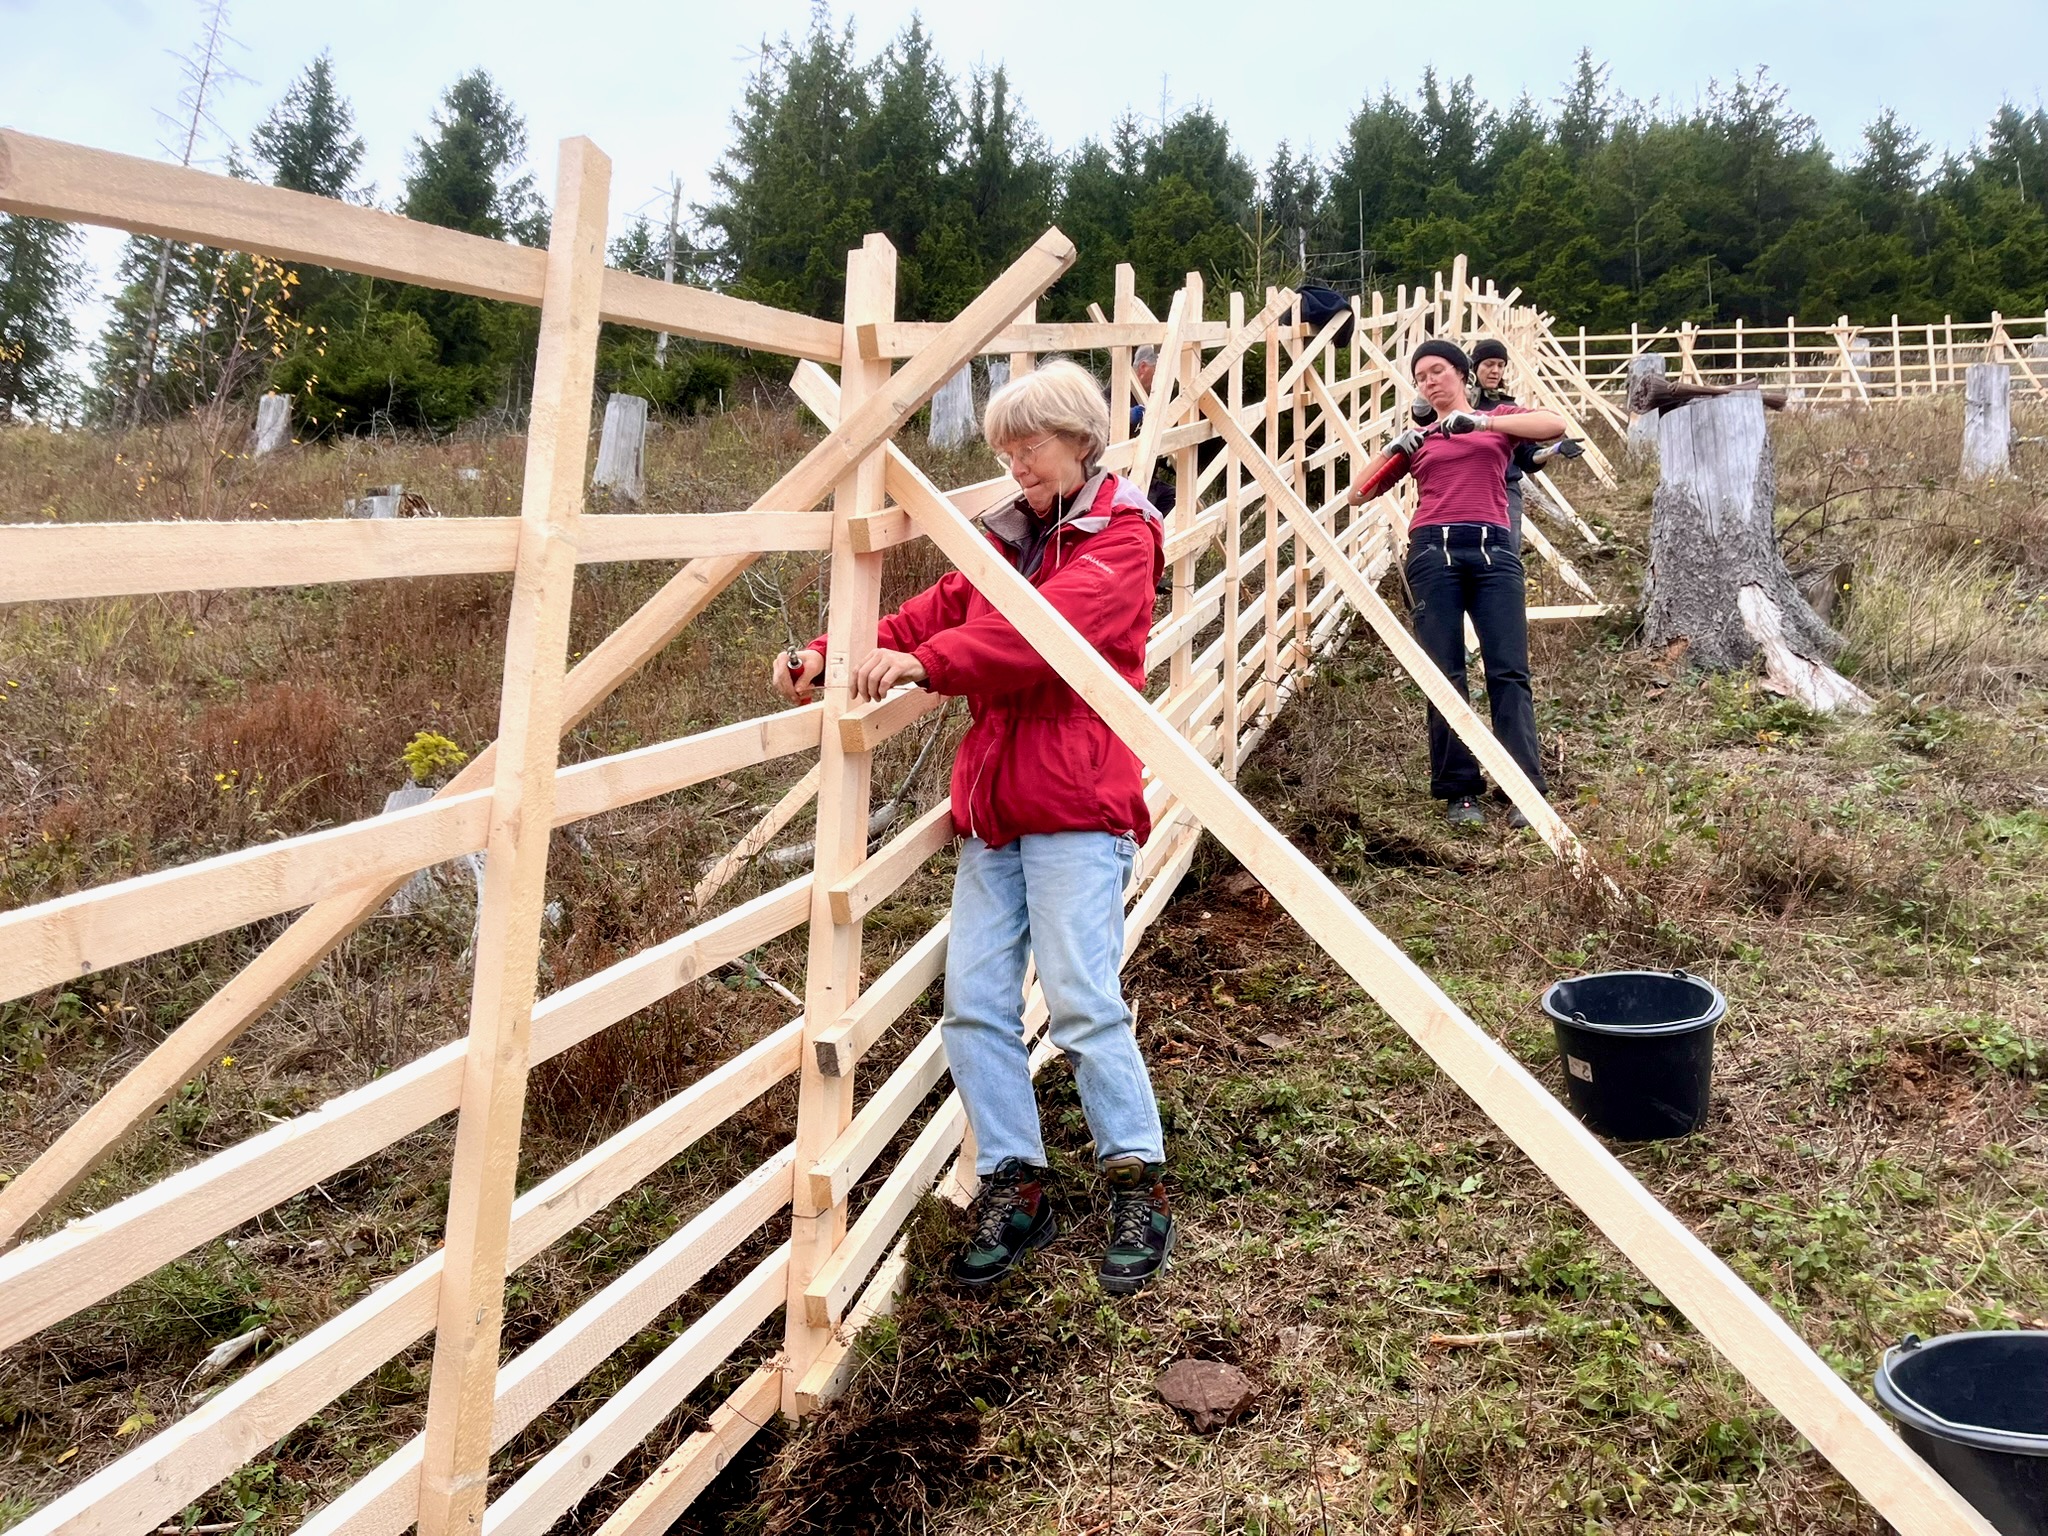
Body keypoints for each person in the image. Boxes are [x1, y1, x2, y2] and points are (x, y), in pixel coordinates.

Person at [772, 358, 1176, 1295]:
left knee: (1079, 999)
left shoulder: (1122, 539)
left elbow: (1040, 638)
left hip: (1077, 802)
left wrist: (927, 667)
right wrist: (828, 658)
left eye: (1028, 445)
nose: (1015, 463)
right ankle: (1016, 1180)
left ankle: (1135, 1178)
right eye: (1003, 448)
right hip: (996, 808)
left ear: (1078, 437)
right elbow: (931, 613)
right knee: (976, 1005)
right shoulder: (1004, 543)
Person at [1349, 338, 1567, 826]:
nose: (1429, 380)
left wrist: (1483, 422)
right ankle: (1460, 792)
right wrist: (1393, 447)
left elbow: (1553, 424)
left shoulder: (1499, 419)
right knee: (1445, 675)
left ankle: (1522, 791)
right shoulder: (1420, 439)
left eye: (1438, 371)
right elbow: (1357, 495)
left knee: (1508, 671)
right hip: (1433, 551)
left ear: (1462, 374)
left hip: (1494, 550)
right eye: (1421, 375)